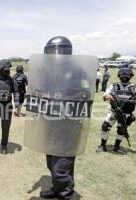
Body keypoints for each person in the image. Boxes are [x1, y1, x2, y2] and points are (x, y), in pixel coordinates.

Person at [23, 36, 97, 200]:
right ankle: (58, 189)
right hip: (51, 123)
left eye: (54, 52)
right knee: (51, 159)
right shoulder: (51, 72)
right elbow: (44, 91)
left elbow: (84, 94)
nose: (52, 56)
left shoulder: (77, 71)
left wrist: (66, 98)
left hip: (68, 125)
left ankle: (65, 194)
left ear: (64, 52)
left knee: (61, 166)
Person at [96, 68, 136, 154]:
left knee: (121, 130)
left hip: (126, 114)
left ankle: (117, 147)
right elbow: (105, 95)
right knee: (105, 126)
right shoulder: (113, 86)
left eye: (127, 77)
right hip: (113, 112)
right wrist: (107, 96)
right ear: (119, 76)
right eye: (122, 77)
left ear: (131, 77)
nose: (124, 78)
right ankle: (102, 146)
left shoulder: (135, 88)